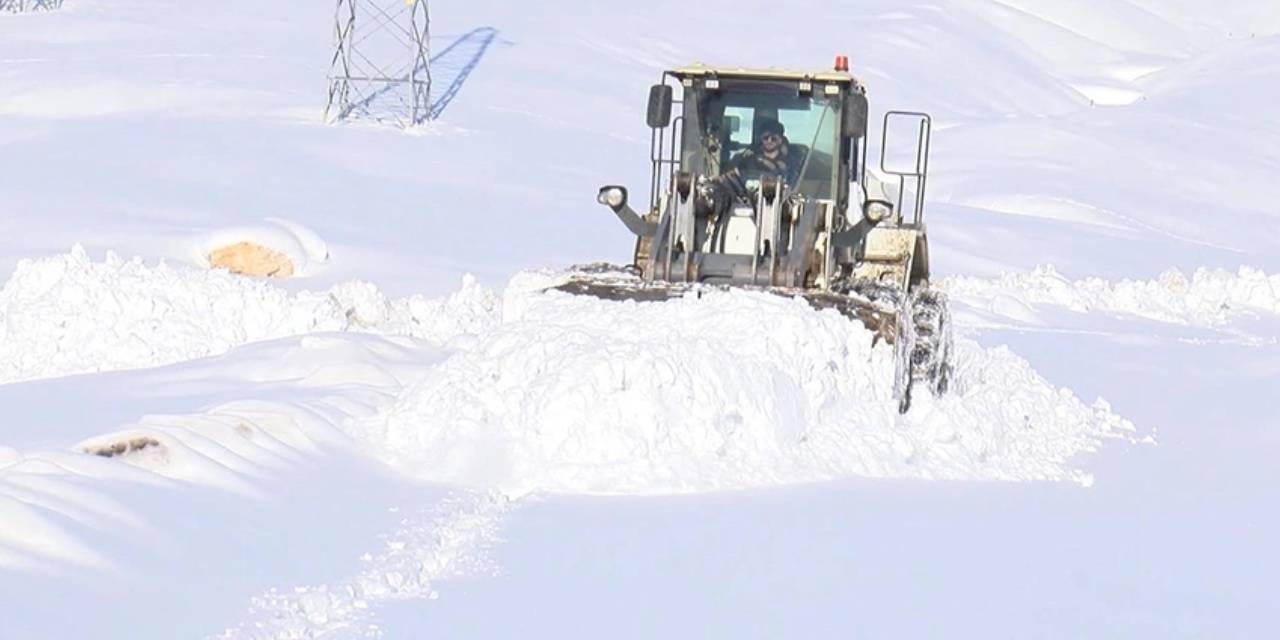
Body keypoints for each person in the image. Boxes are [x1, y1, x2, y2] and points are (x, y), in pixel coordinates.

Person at [721, 118, 803, 189]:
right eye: (766, 138)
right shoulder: (746, 159)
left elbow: (794, 186)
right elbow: (726, 178)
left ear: (780, 140)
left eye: (773, 138)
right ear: (761, 139)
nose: (769, 141)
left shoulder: (791, 163)